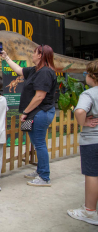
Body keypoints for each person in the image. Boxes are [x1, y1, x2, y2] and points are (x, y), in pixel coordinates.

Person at [1, 45, 57, 187]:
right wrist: (6, 57)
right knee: (37, 143)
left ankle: (44, 177)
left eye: (34, 52)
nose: (32, 55)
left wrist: (25, 112)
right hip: (35, 113)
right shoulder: (34, 70)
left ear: (40, 55)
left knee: (39, 144)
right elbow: (19, 70)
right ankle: (40, 171)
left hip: (40, 113)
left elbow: (39, 96)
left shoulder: (44, 72)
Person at [67, 60, 98, 225]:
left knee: (92, 174)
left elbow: (79, 111)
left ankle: (90, 211)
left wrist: (83, 122)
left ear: (92, 76)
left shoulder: (89, 94)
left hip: (93, 140)